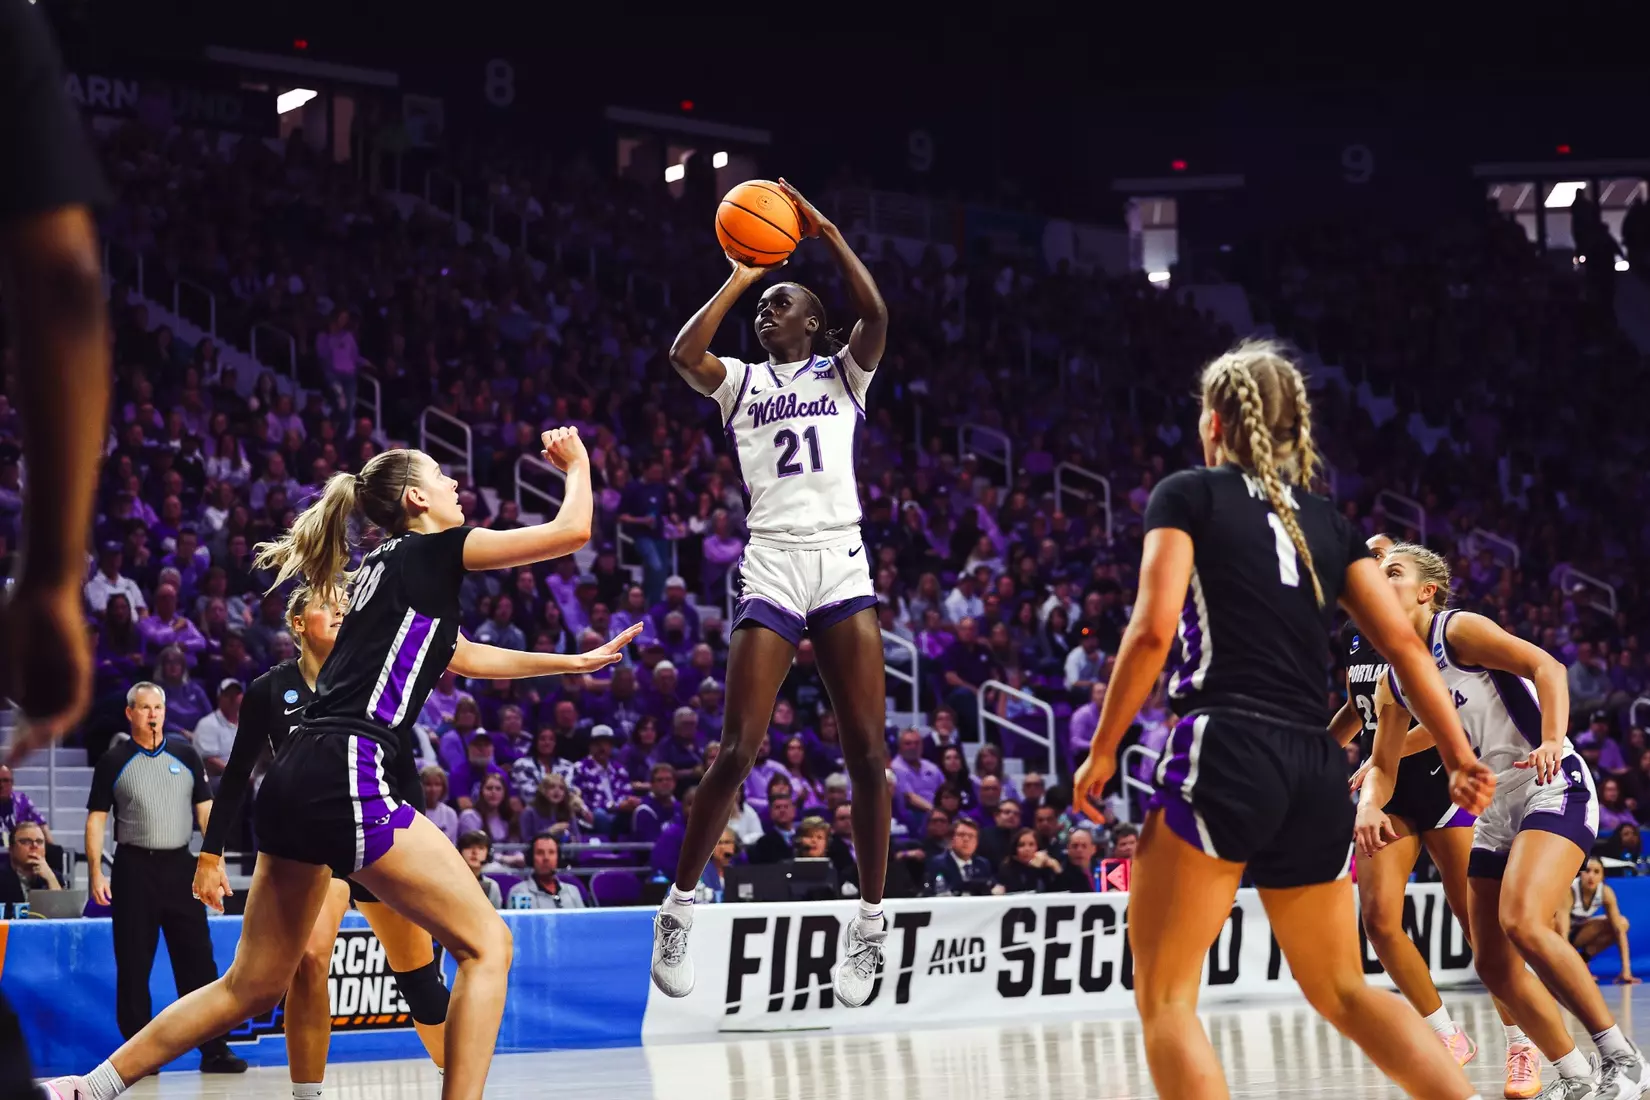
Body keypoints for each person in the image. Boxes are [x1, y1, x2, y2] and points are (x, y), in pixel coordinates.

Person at [46, 433, 637, 1100]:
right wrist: (582, 464)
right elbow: (573, 530)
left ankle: (87, 1087)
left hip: (295, 775)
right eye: (444, 477)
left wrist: (570, 664)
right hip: (349, 770)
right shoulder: (438, 548)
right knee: (487, 946)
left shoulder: (383, 571)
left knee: (251, 983)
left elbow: (464, 655)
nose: (456, 487)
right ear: (416, 498)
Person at [1070, 340, 1493, 1100]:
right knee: (1344, 992)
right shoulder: (1327, 524)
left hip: (1226, 744)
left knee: (1166, 997)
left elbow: (1151, 632)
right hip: (1314, 768)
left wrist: (1103, 749)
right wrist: (1462, 754)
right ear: (1295, 429)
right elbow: (1405, 647)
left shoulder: (1188, 494)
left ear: (1214, 424)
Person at [654, 178, 893, 1008]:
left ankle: (869, 922)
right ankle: (678, 907)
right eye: (765, 306)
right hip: (775, 562)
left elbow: (878, 315)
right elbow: (685, 354)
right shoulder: (743, 384)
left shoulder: (843, 374)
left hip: (841, 562)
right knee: (736, 749)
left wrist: (825, 236)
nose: (767, 315)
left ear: (815, 325)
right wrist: (743, 273)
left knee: (868, 753)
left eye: (780, 303)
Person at [1361, 541, 1649, 1097]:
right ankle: (1576, 1075)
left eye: (1393, 572)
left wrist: (1550, 740)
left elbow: (1548, 666)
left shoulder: (1457, 629)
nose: (1380, 580)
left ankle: (1623, 1057)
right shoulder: (1393, 677)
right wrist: (1372, 800)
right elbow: (1385, 763)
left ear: (1427, 592)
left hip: (1550, 781)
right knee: (1491, 963)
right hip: (1494, 809)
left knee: (1522, 920)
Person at [1339, 535, 1527, 1091]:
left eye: (1384, 563)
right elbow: (1358, 710)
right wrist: (1319, 750)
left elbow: (1447, 719)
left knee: (1477, 927)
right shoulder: (1356, 640)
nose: (1373, 570)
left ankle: (1522, 1044)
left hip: (1442, 788)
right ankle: (1446, 1033)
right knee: (1378, 920)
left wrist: (1383, 755)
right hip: (1388, 790)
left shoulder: (1432, 637)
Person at [85, 683, 245, 1075]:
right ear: (130, 713)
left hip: (180, 866)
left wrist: (215, 861)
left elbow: (207, 812)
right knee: (134, 963)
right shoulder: (114, 760)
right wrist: (95, 871)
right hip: (133, 868)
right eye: (144, 708)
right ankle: (141, 1057)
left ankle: (215, 1050)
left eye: (158, 707)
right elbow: (96, 819)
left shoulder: (186, 754)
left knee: (198, 963)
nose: (153, 714)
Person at [1557, 857, 1637, 985]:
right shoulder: (1570, 891)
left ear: (1602, 875)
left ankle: (1583, 960)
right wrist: (1571, 973)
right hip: (1557, 937)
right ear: (1580, 873)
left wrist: (1626, 971)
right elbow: (1563, 935)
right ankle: (1572, 970)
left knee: (1622, 923)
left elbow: (1619, 931)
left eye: (1596, 872)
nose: (1591, 876)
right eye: (1587, 871)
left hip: (1578, 934)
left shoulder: (1606, 892)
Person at [506, 833, 584, 910]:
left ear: (558, 858)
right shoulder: (520, 893)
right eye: (540, 853)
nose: (546, 858)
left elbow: (583, 922)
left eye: (551, 852)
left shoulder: (572, 891)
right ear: (531, 858)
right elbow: (520, 922)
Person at [925, 818, 995, 897]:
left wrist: (997, 887)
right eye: (961, 835)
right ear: (951, 839)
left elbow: (991, 884)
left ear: (977, 842)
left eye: (971, 836)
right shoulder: (938, 863)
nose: (966, 839)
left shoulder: (982, 863)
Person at [1, 821, 59, 905]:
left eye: (39, 841)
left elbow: (62, 913)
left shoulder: (54, 877)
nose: (34, 846)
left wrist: (51, 879)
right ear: (11, 849)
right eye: (26, 841)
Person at [996, 827, 1060, 894]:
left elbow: (1059, 891)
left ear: (1038, 847)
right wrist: (1032, 866)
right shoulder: (1007, 868)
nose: (1027, 849)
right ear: (1015, 849)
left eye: (1031, 844)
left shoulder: (1045, 866)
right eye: (1021, 845)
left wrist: (1056, 868)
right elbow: (1023, 892)